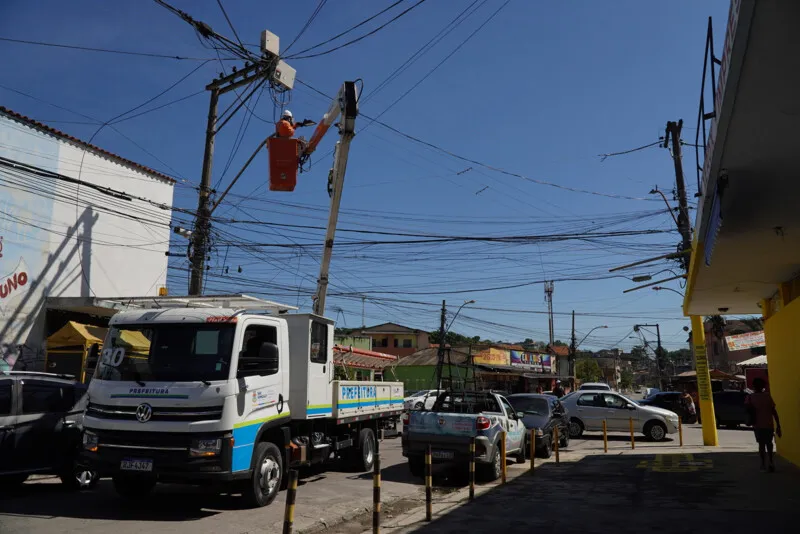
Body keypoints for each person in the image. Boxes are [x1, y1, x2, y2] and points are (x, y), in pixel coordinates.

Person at [745, 377, 782, 472]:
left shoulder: (750, 397)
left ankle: (763, 464)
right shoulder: (767, 397)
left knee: (761, 445)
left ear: (753, 386)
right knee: (769, 443)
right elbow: (774, 412)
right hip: (769, 424)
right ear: (763, 387)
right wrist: (778, 425)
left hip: (757, 425)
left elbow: (747, 410)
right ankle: (771, 461)